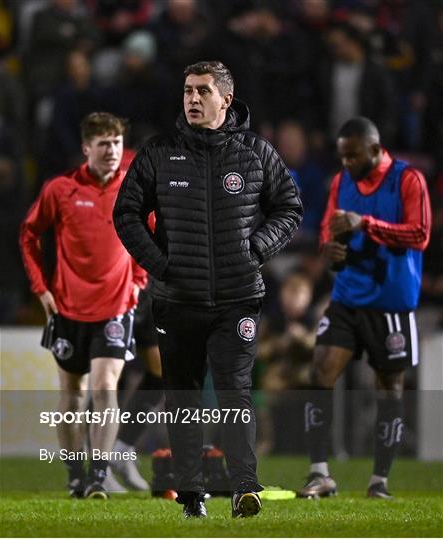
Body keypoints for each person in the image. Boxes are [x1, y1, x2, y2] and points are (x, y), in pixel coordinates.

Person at [113, 60, 303, 518]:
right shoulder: (161, 151)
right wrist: (161, 265)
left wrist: (255, 250)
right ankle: (192, 495)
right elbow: (126, 214)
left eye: (202, 91)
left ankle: (243, 487)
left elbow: (289, 208)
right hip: (178, 299)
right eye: (188, 91)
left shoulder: (256, 152)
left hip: (238, 297)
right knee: (183, 395)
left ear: (226, 99)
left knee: (236, 391)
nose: (192, 99)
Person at [297, 117, 431, 500]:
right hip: (347, 299)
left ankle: (379, 482)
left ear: (375, 150)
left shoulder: (408, 180)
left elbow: (420, 234)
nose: (347, 164)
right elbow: (327, 227)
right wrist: (330, 247)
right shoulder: (342, 181)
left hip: (391, 303)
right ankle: (319, 472)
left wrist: (366, 224)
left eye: (353, 156)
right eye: (342, 157)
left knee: (389, 389)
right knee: (320, 372)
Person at [20, 112, 147, 499]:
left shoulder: (134, 188)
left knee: (106, 387)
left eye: (117, 143)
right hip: (68, 308)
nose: (112, 151)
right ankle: (76, 474)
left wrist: (139, 280)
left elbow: (151, 233)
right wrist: (41, 287)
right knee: (72, 396)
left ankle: (98, 474)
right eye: (104, 144)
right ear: (86, 148)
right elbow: (29, 235)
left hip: (115, 306)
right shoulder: (61, 190)